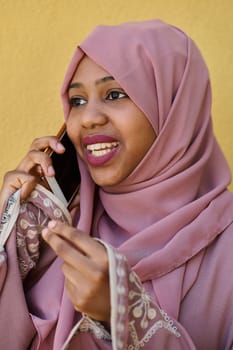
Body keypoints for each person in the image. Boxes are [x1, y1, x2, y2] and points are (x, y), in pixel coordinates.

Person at [0, 19, 233, 350]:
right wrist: (11, 235)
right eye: (77, 101)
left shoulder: (227, 245)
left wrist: (125, 313)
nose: (88, 118)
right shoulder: (58, 226)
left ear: (174, 109)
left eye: (114, 94)